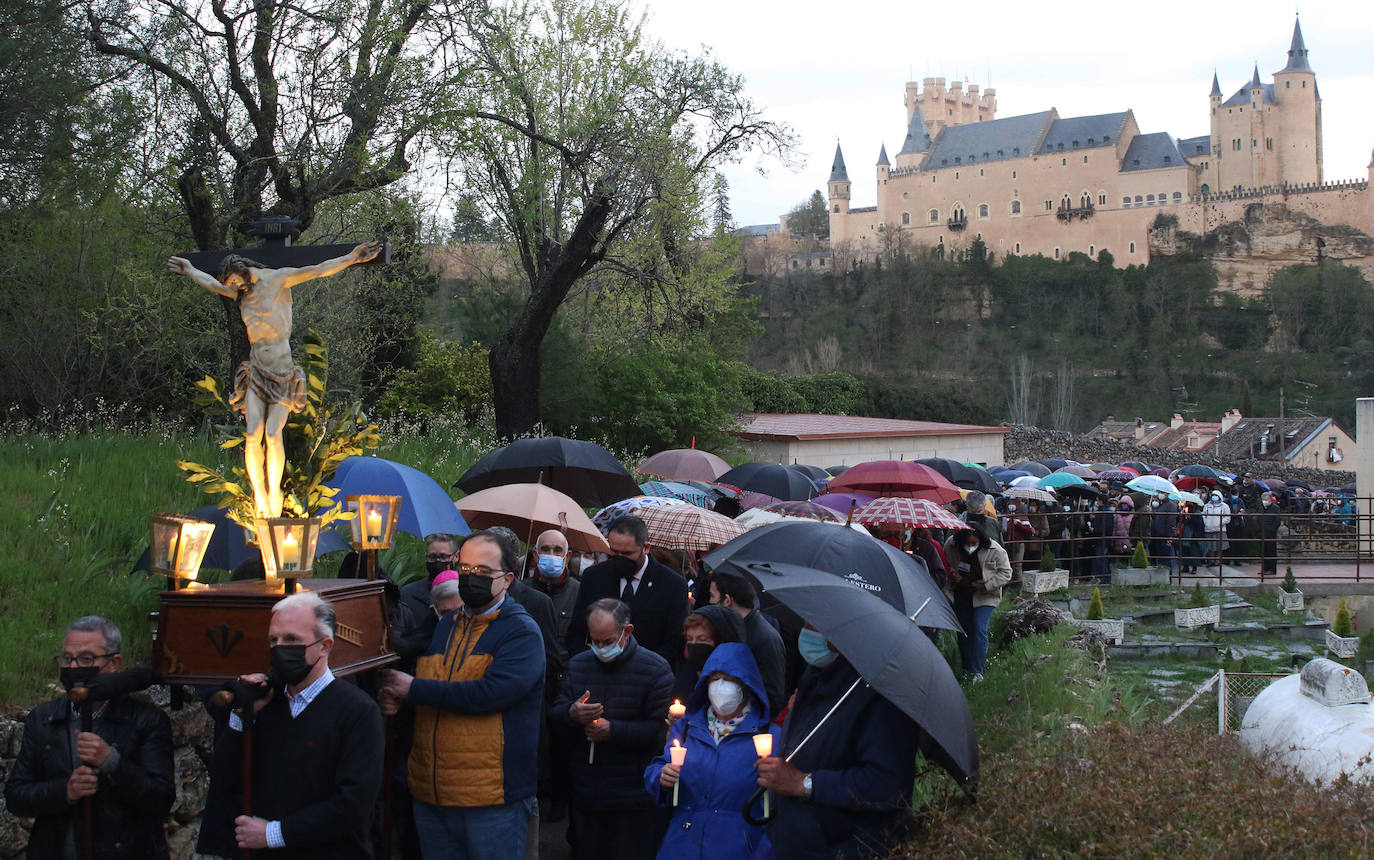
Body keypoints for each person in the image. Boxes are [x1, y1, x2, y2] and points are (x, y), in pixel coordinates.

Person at [166, 241, 382, 518]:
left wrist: (352, 258)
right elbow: (214, 285)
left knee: (272, 432)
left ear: (243, 269)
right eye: (232, 284)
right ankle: (259, 492)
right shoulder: (240, 292)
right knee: (253, 433)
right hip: (255, 372)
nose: (235, 288)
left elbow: (317, 269)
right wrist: (190, 270)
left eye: (235, 281)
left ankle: (275, 490)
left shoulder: (278, 279)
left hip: (282, 375)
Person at [378, 529, 546, 860]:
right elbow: (435, 685)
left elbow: (490, 694)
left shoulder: (521, 632)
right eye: (465, 568)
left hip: (490, 799)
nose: (471, 578)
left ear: (508, 579)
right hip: (432, 792)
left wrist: (413, 688)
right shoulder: (446, 624)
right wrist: (402, 698)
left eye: (484, 572)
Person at [199, 592, 384, 858]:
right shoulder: (265, 702)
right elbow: (227, 777)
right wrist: (242, 717)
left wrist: (274, 833)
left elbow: (353, 805)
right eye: (274, 640)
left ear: (325, 646)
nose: (280, 648)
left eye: (292, 640)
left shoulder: (358, 711)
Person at [5, 616, 174, 860]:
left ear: (114, 662)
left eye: (86, 659)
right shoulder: (43, 718)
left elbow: (161, 799)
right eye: (67, 659)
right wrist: (66, 790)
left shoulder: (146, 720)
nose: (73, 668)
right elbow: (16, 797)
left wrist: (112, 763)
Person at [751, 626, 919, 860]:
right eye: (806, 623)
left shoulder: (881, 696)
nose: (806, 631)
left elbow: (888, 784)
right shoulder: (818, 674)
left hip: (841, 846)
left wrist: (805, 783)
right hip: (792, 839)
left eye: (815, 626)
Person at [551, 599, 673, 860]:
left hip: (633, 796)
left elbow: (658, 730)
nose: (599, 648)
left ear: (626, 632)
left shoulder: (655, 669)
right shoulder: (580, 664)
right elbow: (557, 713)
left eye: (606, 641)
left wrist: (613, 731)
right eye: (594, 641)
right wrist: (572, 713)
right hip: (586, 792)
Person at [644, 643, 779, 860]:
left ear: (746, 684)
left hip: (738, 849)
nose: (721, 686)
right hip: (681, 846)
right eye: (714, 679)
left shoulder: (769, 736)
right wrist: (661, 777)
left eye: (730, 679)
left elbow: (778, 808)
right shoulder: (687, 727)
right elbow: (659, 766)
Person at [565, 516, 690, 667]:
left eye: (627, 554)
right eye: (614, 552)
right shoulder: (594, 577)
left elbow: (674, 642)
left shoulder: (673, 584)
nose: (619, 559)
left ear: (646, 548)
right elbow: (577, 631)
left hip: (648, 675)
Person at [708, 571, 788, 721]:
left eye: (712, 596)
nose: (710, 602)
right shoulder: (733, 629)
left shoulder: (765, 639)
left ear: (727, 600)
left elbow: (773, 694)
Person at [943, 528, 1012, 680]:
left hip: (985, 595)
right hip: (961, 593)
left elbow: (1006, 573)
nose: (970, 546)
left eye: (974, 543)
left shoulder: (995, 550)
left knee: (979, 627)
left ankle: (978, 671)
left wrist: (985, 585)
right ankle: (967, 668)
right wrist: (953, 574)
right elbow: (947, 563)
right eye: (967, 543)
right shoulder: (951, 545)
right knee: (963, 631)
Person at [672, 605, 746, 703]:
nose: (694, 644)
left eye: (702, 639)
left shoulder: (738, 681)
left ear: (721, 642)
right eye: (689, 639)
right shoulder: (685, 674)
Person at [1148, 492, 1179, 573]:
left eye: (1162, 493)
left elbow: (1171, 522)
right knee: (1160, 556)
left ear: (1167, 494)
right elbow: (1157, 518)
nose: (1160, 494)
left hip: (1165, 536)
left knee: (1166, 557)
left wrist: (1170, 536)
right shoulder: (1160, 505)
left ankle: (1168, 575)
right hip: (1156, 535)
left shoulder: (1171, 506)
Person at [1202, 491, 1232, 567]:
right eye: (1213, 495)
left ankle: (1218, 561)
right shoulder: (1207, 505)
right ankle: (1211, 560)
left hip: (1220, 529)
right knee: (1210, 546)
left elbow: (1228, 518)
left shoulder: (1224, 506)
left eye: (1216, 495)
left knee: (1220, 546)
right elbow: (1203, 515)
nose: (1214, 496)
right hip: (1209, 528)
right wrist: (1207, 522)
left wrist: (1220, 523)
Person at [1259, 493, 1282, 576]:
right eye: (1263, 499)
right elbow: (1258, 519)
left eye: (1266, 499)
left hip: (1271, 534)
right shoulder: (1261, 508)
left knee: (1271, 551)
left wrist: (1271, 530)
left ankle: (1272, 569)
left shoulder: (1275, 508)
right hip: (1262, 533)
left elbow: (1277, 521)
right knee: (1264, 552)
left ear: (1270, 499)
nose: (1265, 501)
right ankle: (1265, 568)